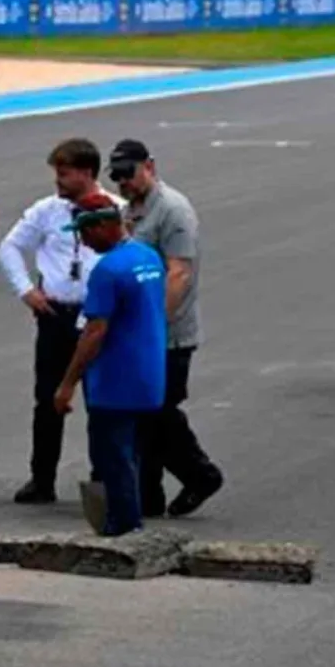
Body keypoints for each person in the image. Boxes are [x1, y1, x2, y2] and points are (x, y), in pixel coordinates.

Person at [0, 138, 121, 504]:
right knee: (47, 399)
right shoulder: (46, 210)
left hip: (97, 315)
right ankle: (42, 477)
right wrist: (26, 290)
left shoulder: (115, 209)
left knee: (101, 401)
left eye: (64, 175)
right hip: (56, 313)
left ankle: (105, 478)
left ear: (86, 172)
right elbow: (9, 247)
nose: (58, 182)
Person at [109, 139, 225, 518]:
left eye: (129, 173)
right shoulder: (130, 210)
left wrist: (153, 326)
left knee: (158, 411)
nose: (123, 182)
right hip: (138, 331)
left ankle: (199, 473)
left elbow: (179, 273)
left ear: (150, 166)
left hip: (168, 334)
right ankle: (148, 494)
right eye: (117, 176)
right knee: (145, 414)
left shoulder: (172, 211)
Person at [53, 193, 166, 537]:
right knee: (133, 453)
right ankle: (135, 514)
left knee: (111, 456)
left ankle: (123, 525)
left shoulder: (108, 270)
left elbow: (94, 331)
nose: (82, 241)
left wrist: (68, 382)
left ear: (104, 225)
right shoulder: (148, 257)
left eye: (84, 232)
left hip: (115, 378)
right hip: (149, 372)